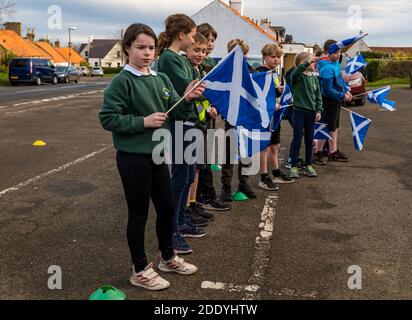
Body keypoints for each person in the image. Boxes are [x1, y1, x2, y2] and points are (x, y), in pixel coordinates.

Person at [99, 23, 205, 290]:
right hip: (133, 158)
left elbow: (177, 113)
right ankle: (139, 268)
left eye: (151, 48)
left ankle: (167, 257)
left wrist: (188, 98)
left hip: (159, 154)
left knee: (168, 208)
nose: (147, 53)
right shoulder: (121, 82)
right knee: (138, 214)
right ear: (127, 48)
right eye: (140, 47)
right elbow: (108, 118)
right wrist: (142, 122)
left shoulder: (161, 79)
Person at [156, 14, 210, 255]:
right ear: (181, 35)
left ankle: (180, 223)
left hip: (188, 123)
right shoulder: (169, 59)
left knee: (187, 176)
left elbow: (195, 83)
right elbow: (190, 89)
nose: (194, 39)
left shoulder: (179, 59)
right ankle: (172, 229)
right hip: (180, 124)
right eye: (191, 34)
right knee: (179, 179)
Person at [195, 23, 231, 212]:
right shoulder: (200, 64)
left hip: (209, 116)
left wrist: (216, 105)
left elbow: (217, 90)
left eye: (212, 41)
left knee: (206, 158)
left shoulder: (212, 64)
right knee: (200, 161)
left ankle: (203, 196)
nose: (210, 44)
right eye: (207, 40)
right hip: (197, 119)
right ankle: (204, 197)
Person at [220, 39, 257, 201]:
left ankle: (244, 184)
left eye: (244, 53)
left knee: (246, 153)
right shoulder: (224, 71)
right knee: (229, 153)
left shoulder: (250, 71)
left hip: (247, 119)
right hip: (231, 118)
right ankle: (226, 188)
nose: (242, 56)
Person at [256, 44, 294, 191]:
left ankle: (276, 172)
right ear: (264, 57)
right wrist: (272, 102)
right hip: (265, 116)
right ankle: (264, 177)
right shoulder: (260, 73)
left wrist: (279, 94)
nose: (276, 59)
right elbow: (259, 96)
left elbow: (276, 93)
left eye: (279, 56)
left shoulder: (277, 74)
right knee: (264, 147)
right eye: (273, 56)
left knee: (275, 146)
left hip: (276, 116)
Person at [314, 40, 352, 164]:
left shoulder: (335, 64)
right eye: (335, 52)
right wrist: (342, 96)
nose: (338, 55)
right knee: (325, 126)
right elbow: (327, 90)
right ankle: (318, 153)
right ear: (327, 52)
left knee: (333, 127)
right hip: (328, 101)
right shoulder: (326, 68)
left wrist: (346, 90)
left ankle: (333, 151)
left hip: (336, 101)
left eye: (339, 52)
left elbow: (340, 81)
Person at [289, 52, 323, 178]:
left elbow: (318, 96)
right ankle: (293, 166)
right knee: (297, 139)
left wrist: (319, 110)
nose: (314, 63)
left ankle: (309, 165)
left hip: (311, 113)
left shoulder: (314, 78)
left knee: (309, 140)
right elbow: (297, 72)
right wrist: (308, 62)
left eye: (313, 62)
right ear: (302, 63)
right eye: (310, 61)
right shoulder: (297, 76)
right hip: (298, 112)